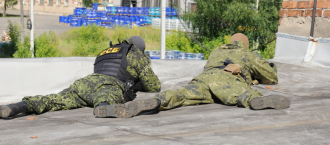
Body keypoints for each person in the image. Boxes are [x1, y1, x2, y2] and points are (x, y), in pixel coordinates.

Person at [108, 33, 290, 118]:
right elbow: (271, 77)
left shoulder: (217, 50)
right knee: (241, 93)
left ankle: (157, 101)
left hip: (204, 79)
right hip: (226, 78)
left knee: (181, 95)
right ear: (245, 44)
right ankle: (255, 101)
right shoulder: (245, 53)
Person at [0, 36, 161, 119]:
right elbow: (154, 86)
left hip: (83, 85)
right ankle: (104, 108)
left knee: (53, 100)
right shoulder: (135, 53)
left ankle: (16, 107)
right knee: (106, 98)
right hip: (107, 85)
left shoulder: (105, 52)